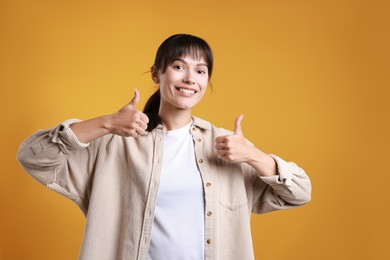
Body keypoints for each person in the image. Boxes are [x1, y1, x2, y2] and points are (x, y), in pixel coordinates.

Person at [17, 34, 311, 260]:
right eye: (178, 66)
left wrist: (254, 156)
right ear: (157, 74)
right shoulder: (116, 143)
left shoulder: (226, 146)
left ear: (207, 81)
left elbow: (299, 193)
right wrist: (105, 123)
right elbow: (32, 156)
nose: (189, 79)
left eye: (200, 71)